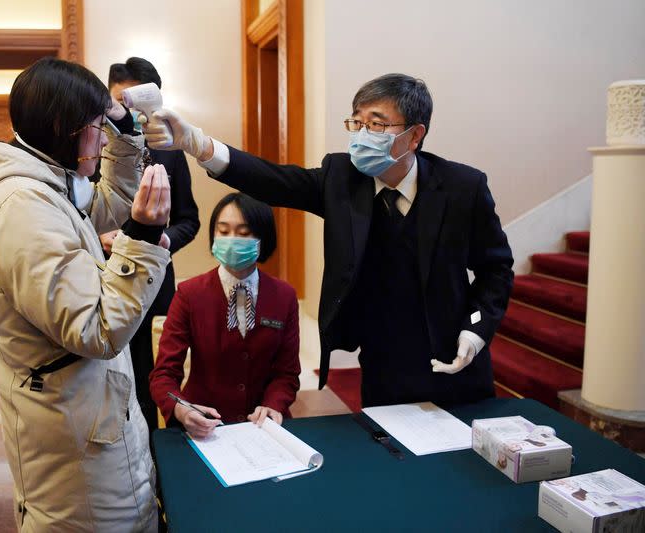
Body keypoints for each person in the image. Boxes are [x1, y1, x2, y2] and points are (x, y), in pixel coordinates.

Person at [141, 73, 514, 408]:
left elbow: (495, 268)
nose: (362, 135)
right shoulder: (342, 178)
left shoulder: (463, 188)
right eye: (357, 122)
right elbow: (274, 180)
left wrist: (476, 330)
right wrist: (198, 144)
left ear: (415, 135)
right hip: (384, 362)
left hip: (455, 358)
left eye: (377, 125)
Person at [0, 57, 171, 532]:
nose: (101, 136)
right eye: (96, 126)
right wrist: (144, 242)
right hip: (70, 432)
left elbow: (110, 205)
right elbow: (96, 328)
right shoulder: (22, 208)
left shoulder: (48, 181)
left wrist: (126, 130)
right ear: (66, 129)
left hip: (82, 405)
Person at [101, 56, 200, 436]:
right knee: (116, 376)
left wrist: (165, 240)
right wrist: (97, 238)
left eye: (136, 104)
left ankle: (161, 454)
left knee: (156, 375)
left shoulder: (169, 150)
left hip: (156, 283)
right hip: (107, 280)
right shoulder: (91, 151)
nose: (127, 114)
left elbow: (189, 220)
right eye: (118, 103)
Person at [149, 193, 300, 439]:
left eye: (243, 233)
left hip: (264, 429)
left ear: (263, 238)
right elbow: (163, 374)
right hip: (205, 429)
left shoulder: (284, 296)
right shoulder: (190, 294)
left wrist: (274, 404)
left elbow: (287, 372)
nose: (232, 241)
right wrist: (182, 410)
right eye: (223, 231)